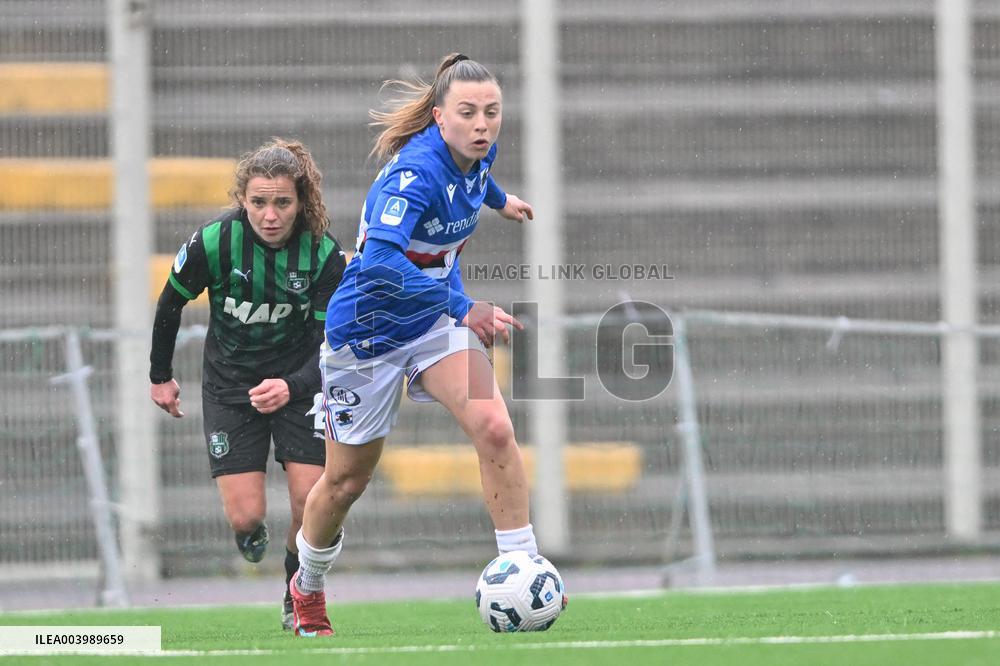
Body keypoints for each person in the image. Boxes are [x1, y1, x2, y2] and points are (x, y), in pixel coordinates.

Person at [288, 53, 543, 637]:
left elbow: (477, 182)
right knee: (347, 483)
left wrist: (503, 202)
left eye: (492, 113)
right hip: (368, 332)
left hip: (433, 324)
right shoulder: (415, 173)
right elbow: (378, 260)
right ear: (438, 118)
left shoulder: (479, 152)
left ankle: (522, 566)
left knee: (496, 428)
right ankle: (306, 584)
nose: (483, 125)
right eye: (468, 113)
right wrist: (464, 306)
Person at [148, 138, 346, 631]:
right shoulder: (214, 241)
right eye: (258, 202)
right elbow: (170, 304)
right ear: (242, 200)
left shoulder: (322, 255)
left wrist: (292, 385)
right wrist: (160, 377)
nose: (270, 214)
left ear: (301, 202)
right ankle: (250, 535)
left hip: (300, 385)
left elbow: (331, 344)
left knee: (309, 499)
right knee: (245, 517)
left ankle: (296, 593)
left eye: (282, 202)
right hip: (230, 388)